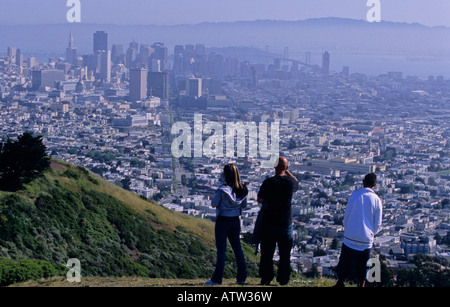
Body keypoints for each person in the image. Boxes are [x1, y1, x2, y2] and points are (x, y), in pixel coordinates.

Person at [334, 173, 383, 288]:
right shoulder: (377, 200)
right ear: (375, 185)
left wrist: (347, 228)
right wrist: (371, 233)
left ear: (363, 181)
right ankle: (362, 284)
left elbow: (347, 215)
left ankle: (340, 282)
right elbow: (378, 223)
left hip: (350, 235)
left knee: (345, 261)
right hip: (366, 239)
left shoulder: (355, 195)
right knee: (364, 264)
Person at [257, 157, 299, 286]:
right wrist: (287, 171)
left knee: (267, 254)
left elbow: (259, 199)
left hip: (269, 223)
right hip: (285, 224)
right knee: (285, 255)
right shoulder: (290, 183)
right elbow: (297, 181)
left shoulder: (269, 182)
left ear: (274, 167)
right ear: (286, 168)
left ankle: (266, 278)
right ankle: (283, 279)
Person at [205, 163, 248, 286]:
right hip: (235, 221)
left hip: (223, 222)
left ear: (225, 174)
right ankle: (241, 278)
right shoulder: (242, 189)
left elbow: (213, 204)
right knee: (238, 250)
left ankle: (217, 279)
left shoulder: (222, 190)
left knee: (222, 251)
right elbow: (244, 205)